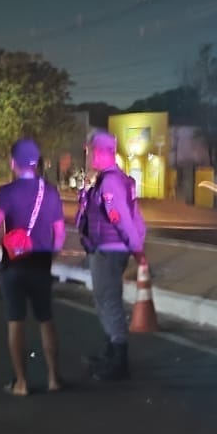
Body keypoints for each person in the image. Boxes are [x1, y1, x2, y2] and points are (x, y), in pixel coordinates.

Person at [0, 139, 67, 396]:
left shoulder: (7, 192)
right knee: (46, 319)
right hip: (41, 264)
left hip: (13, 265)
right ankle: (53, 378)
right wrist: (52, 254)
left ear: (13, 163)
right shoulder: (50, 192)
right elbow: (60, 233)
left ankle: (21, 383)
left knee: (16, 321)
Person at [75, 131, 146, 381]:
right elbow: (135, 216)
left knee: (110, 302)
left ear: (102, 152)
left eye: (91, 151)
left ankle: (119, 360)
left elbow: (122, 219)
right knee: (103, 300)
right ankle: (111, 351)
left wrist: (138, 250)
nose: (89, 156)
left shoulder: (111, 183)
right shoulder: (113, 180)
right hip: (105, 249)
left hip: (109, 250)